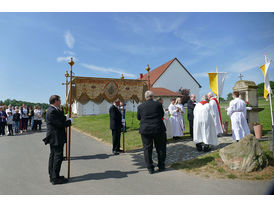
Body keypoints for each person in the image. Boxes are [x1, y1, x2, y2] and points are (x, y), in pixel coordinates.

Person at [43, 95, 72, 185]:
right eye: (59, 100)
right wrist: (69, 121)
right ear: (55, 101)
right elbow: (59, 124)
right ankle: (55, 178)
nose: (60, 101)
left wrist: (65, 117)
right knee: (57, 157)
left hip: (56, 137)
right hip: (56, 137)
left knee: (54, 156)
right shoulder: (51, 111)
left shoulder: (54, 109)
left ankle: (54, 175)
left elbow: (59, 119)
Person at [137, 91, 167, 174]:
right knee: (160, 148)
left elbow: (139, 117)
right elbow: (161, 115)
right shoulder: (158, 104)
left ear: (145, 97)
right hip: (158, 128)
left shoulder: (140, 106)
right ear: (152, 97)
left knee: (147, 149)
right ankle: (161, 165)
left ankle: (150, 168)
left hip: (146, 130)